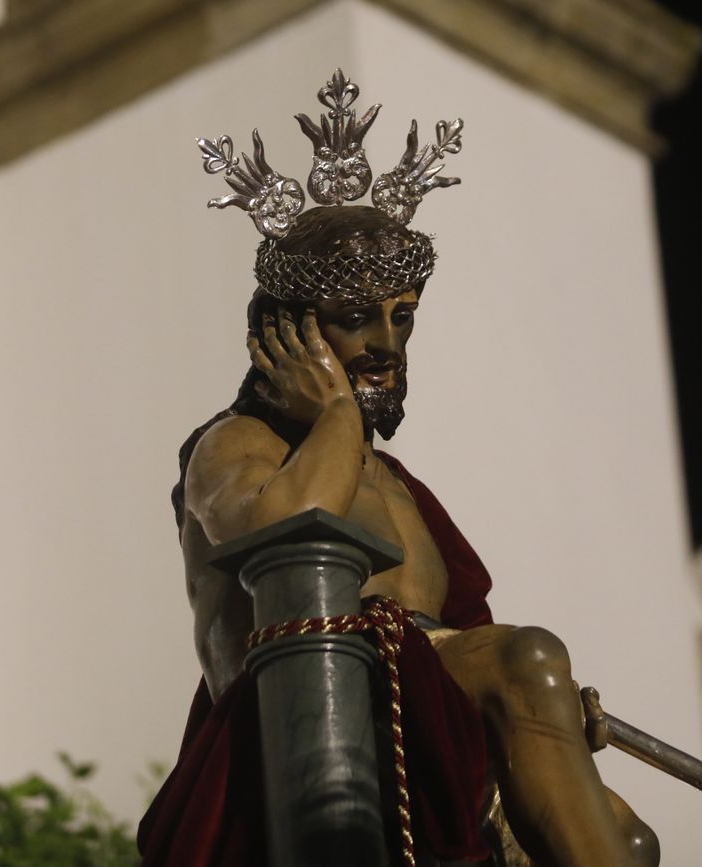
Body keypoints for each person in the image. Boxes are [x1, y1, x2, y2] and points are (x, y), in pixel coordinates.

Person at [140, 72, 654, 867]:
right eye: (354, 319)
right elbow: (287, 544)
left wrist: (544, 712)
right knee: (530, 660)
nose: (385, 341)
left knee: (629, 836)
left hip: (431, 729)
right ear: (285, 333)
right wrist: (339, 413)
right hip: (306, 726)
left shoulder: (399, 483)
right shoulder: (233, 445)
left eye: (401, 315)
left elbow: (464, 628)